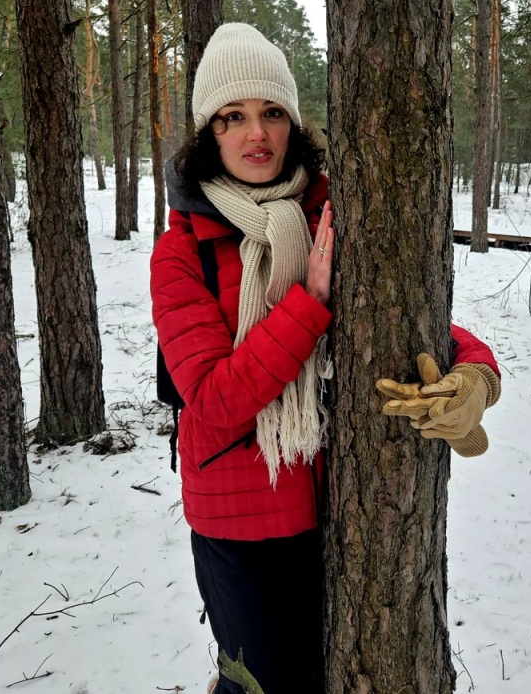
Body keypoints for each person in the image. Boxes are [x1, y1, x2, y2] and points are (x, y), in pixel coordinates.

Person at [149, 23, 502, 694]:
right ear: (208, 133)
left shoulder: (332, 214)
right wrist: (311, 300)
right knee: (258, 684)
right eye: (234, 116)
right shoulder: (182, 251)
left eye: (272, 112)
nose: (256, 133)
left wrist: (475, 376)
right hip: (238, 525)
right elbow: (216, 399)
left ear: (292, 122)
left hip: (338, 507)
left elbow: (403, 313)